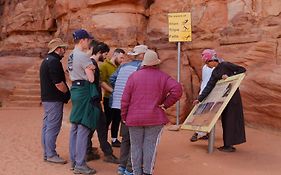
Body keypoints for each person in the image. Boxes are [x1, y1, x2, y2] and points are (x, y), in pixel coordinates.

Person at [121, 49, 182, 175]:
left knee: (136, 146)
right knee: (150, 146)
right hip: (155, 117)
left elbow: (125, 99)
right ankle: (147, 172)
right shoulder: (163, 76)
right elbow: (177, 90)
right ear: (156, 63)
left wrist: (124, 116)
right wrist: (165, 104)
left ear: (144, 63)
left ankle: (136, 172)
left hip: (134, 118)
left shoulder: (134, 76)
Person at [193, 50, 246, 152]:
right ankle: (227, 144)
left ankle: (229, 145)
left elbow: (242, 70)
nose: (206, 65)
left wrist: (230, 78)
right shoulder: (215, 71)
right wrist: (199, 99)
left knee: (231, 121)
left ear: (213, 60)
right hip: (223, 99)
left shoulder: (226, 65)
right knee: (226, 121)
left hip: (233, 98)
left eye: (207, 62)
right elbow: (209, 86)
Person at [110, 45, 148, 175]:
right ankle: (130, 168)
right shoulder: (141, 67)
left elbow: (112, 79)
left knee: (126, 137)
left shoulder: (123, 66)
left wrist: (120, 92)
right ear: (142, 55)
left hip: (120, 105)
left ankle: (122, 166)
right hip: (133, 106)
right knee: (135, 138)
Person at [68, 29, 98, 174]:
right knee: (84, 126)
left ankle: (74, 161)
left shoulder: (71, 55)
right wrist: (91, 67)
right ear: (82, 40)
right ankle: (80, 164)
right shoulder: (82, 56)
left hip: (75, 89)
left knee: (75, 126)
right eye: (88, 40)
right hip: (84, 90)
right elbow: (91, 78)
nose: (90, 42)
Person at [86, 41, 120, 164]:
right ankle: (107, 153)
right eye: (105, 54)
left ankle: (88, 150)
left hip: (91, 100)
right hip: (93, 100)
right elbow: (93, 82)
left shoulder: (90, 62)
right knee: (100, 125)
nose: (105, 57)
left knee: (92, 126)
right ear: (99, 52)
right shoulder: (92, 64)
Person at [40, 38, 70, 164]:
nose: (65, 51)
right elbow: (58, 83)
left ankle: (47, 153)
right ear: (58, 49)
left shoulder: (46, 60)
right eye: (63, 48)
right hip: (54, 99)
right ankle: (51, 154)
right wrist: (67, 93)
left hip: (48, 99)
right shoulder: (54, 62)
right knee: (52, 127)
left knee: (47, 126)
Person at [190, 49, 218, 142]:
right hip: (204, 92)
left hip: (212, 93)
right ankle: (202, 132)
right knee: (202, 113)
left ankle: (200, 133)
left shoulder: (216, 68)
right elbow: (205, 81)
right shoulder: (205, 68)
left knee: (207, 113)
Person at [100, 48, 125, 147]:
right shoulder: (104, 66)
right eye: (121, 57)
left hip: (118, 98)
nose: (122, 60)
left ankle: (114, 139)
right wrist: (112, 91)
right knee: (107, 119)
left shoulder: (119, 67)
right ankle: (103, 141)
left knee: (117, 118)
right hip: (108, 97)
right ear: (115, 55)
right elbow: (101, 81)